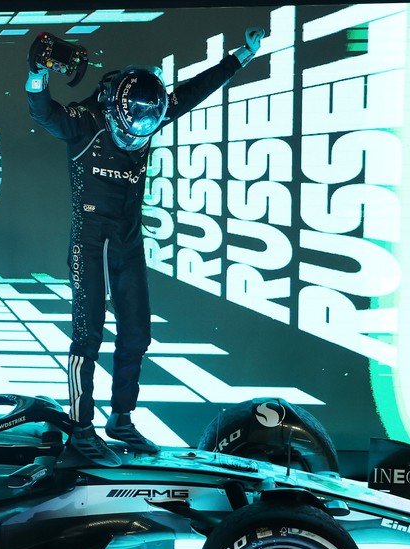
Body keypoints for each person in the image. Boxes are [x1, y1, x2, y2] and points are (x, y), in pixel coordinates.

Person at [26, 28, 265, 465]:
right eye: (130, 128)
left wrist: (241, 57)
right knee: (88, 335)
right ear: (113, 110)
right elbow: (42, 111)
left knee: (137, 333)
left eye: (146, 129)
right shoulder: (86, 120)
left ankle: (121, 418)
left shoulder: (151, 107)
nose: (137, 136)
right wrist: (38, 74)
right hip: (90, 242)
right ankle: (81, 429)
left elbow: (194, 91)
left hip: (128, 241)